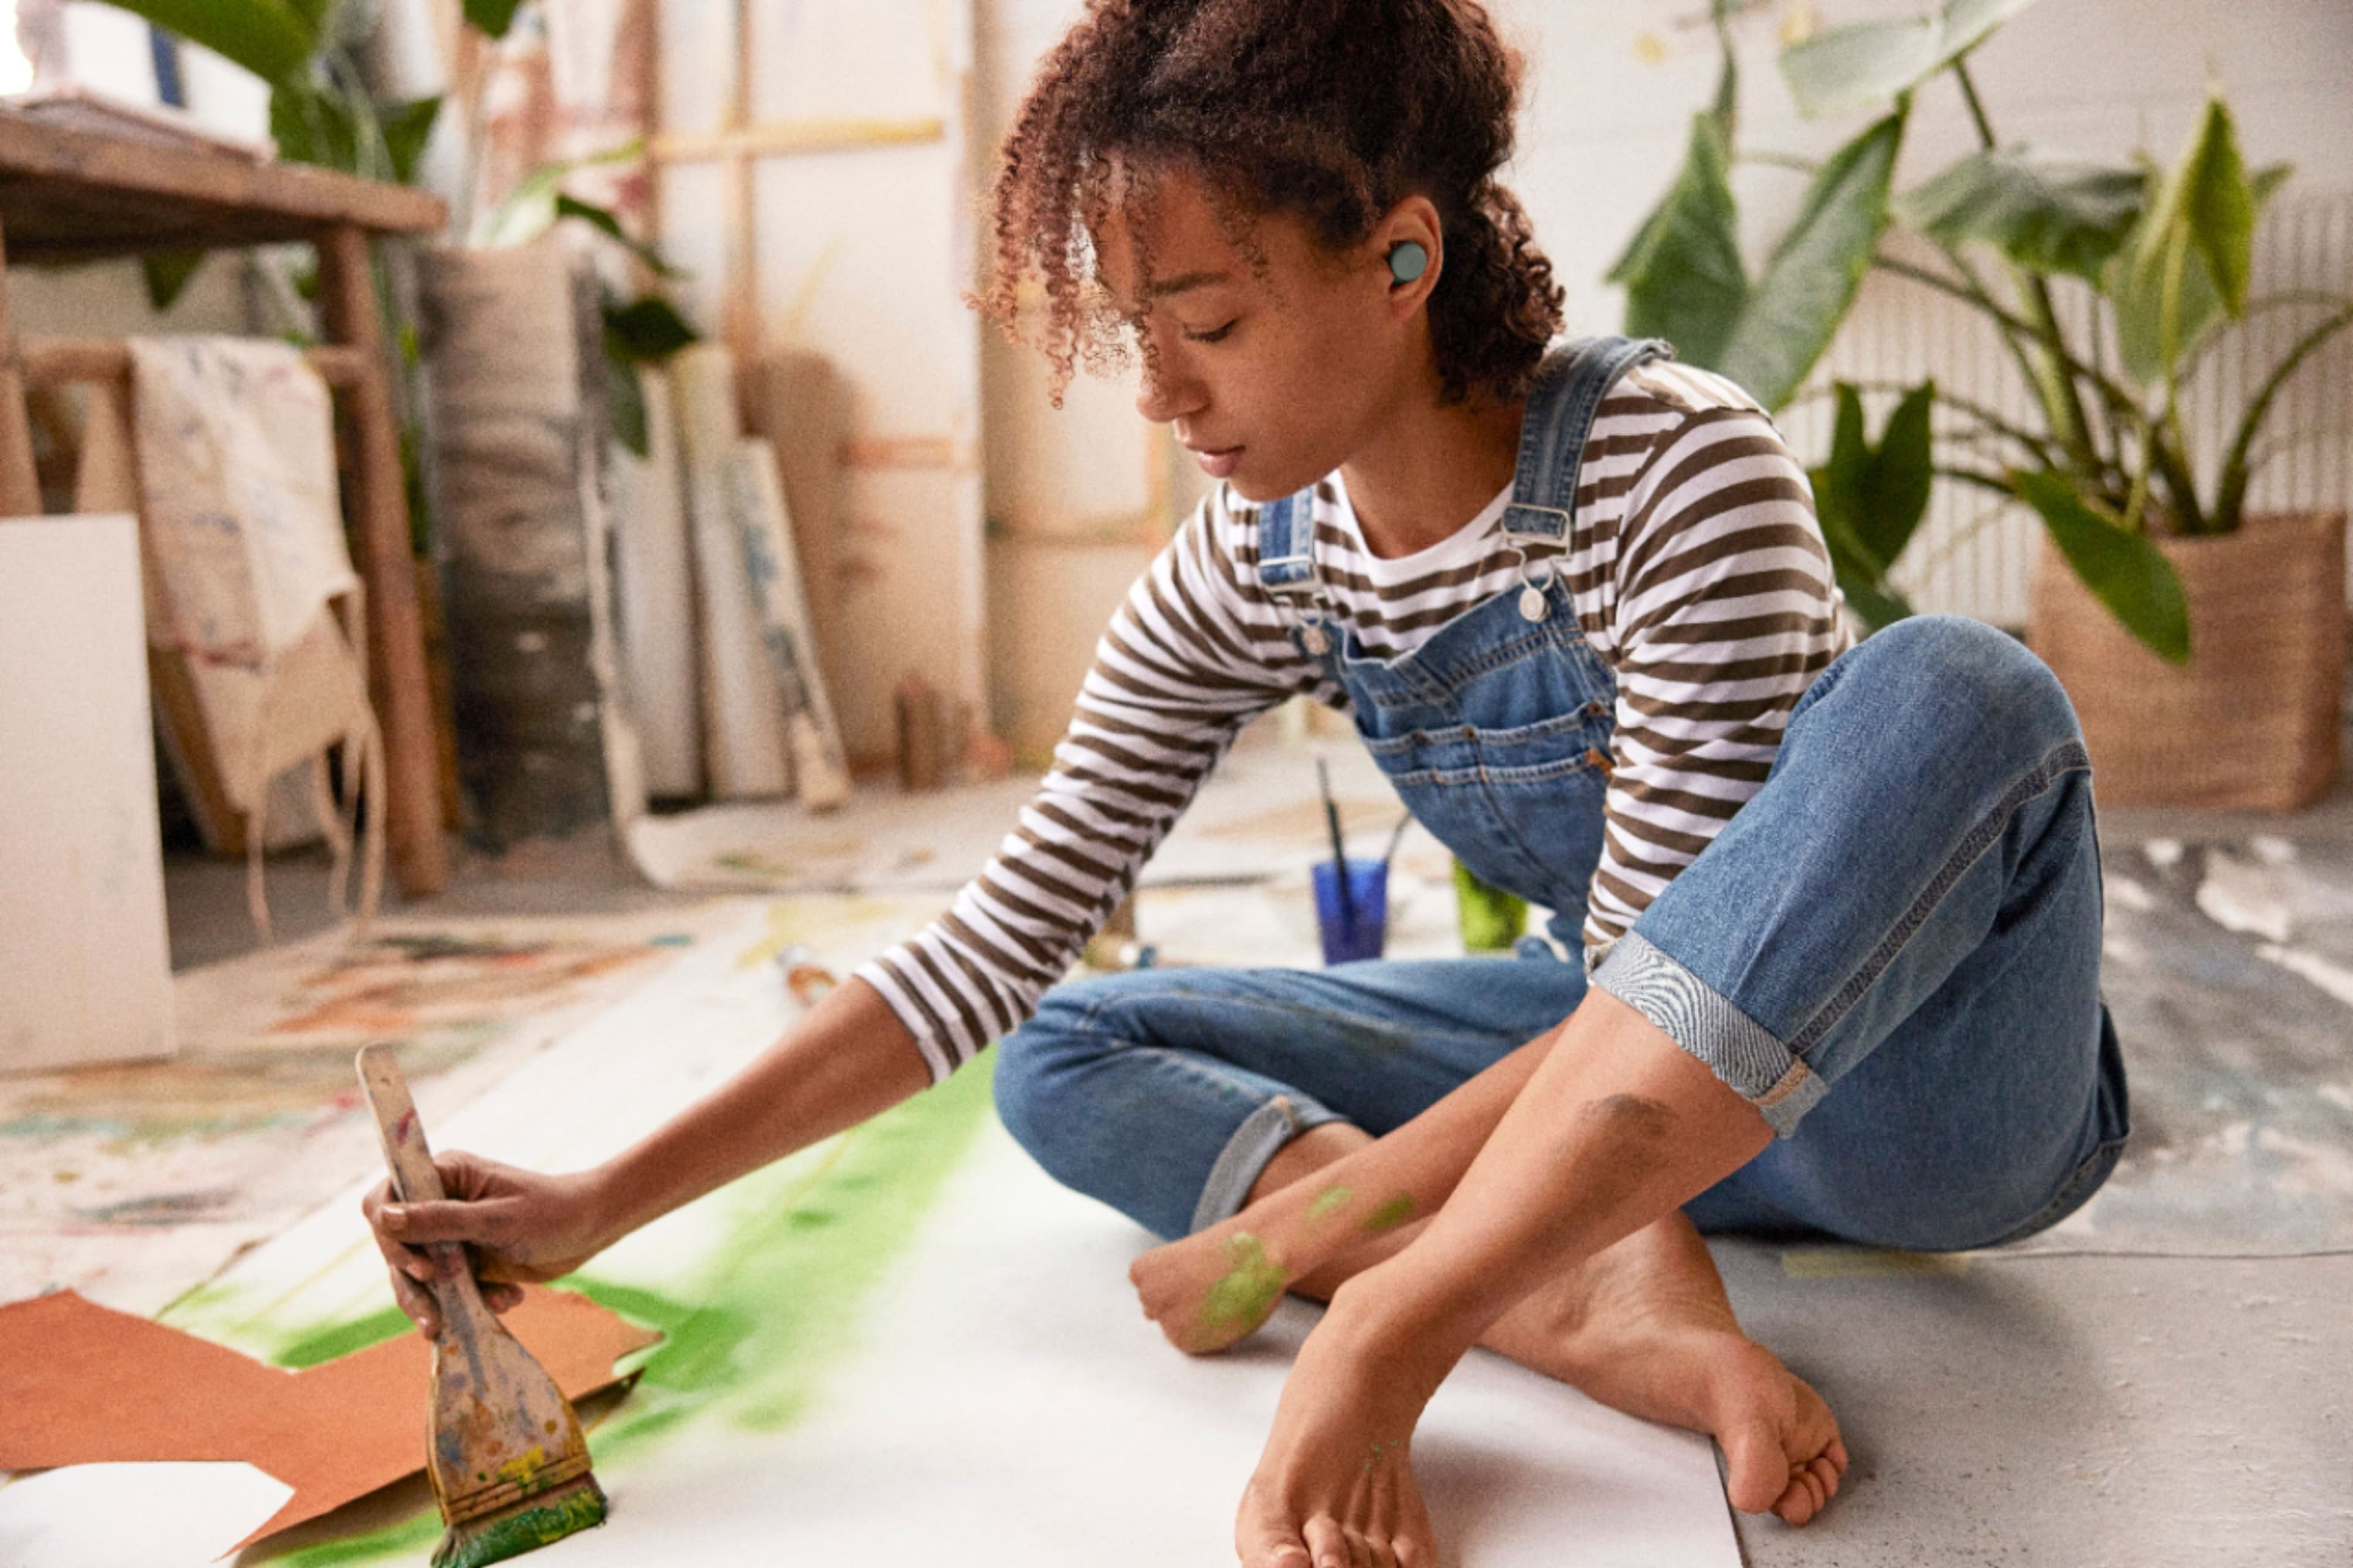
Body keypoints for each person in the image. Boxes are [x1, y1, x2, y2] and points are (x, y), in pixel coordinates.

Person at [365, 2, 2129, 1564]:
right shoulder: (1263, 557)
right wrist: (599, 1202)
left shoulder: (1675, 472)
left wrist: (1350, 1280)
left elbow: (1653, 991)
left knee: (1960, 691)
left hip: (1904, 1110)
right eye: (1139, 329)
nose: (1162, 393)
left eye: (1204, 317)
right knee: (1069, 1048)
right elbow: (998, 944)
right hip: (1601, 1111)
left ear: (1403, 256)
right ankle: (1591, 1313)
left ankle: (1441, 1297)